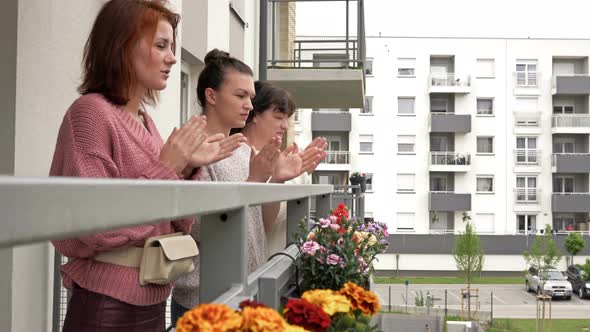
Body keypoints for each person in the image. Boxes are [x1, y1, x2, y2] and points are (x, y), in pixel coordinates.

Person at [49, 1, 242, 331]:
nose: (172, 58)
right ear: (122, 46)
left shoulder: (147, 124)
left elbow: (179, 223)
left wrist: (185, 169)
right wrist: (168, 168)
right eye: (161, 45)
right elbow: (91, 226)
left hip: (154, 300)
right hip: (106, 306)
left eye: (173, 46)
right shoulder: (90, 114)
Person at [171, 51, 325, 324]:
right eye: (240, 96)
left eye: (251, 98)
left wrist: (277, 181)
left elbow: (261, 224)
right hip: (204, 302)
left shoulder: (242, 150)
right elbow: (195, 227)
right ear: (211, 96)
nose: (248, 105)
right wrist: (254, 183)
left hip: (243, 293)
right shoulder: (190, 149)